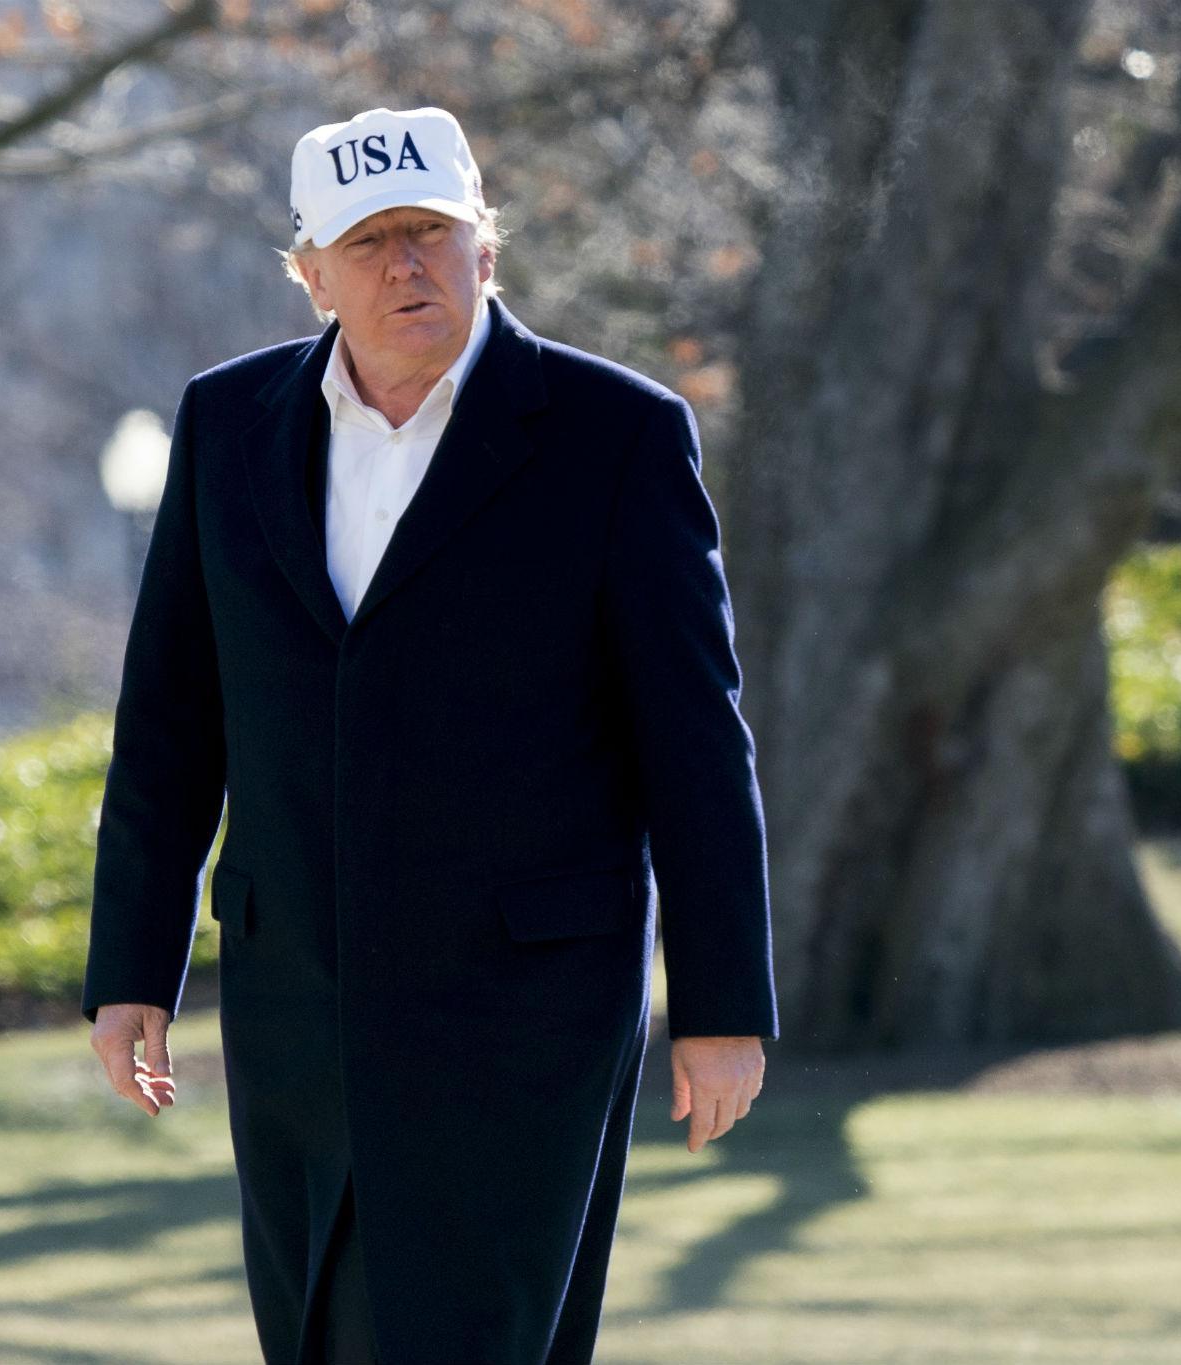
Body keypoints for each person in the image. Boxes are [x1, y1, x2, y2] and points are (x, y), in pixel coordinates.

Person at [82, 105, 777, 1365]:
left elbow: (694, 742)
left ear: (485, 251)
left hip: (522, 1008)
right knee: (317, 1333)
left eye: (431, 234)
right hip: (295, 993)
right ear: (309, 274)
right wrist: (133, 961)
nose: (407, 265)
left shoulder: (613, 436)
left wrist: (722, 1001)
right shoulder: (227, 427)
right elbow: (170, 717)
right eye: (369, 242)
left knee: (462, 1336)